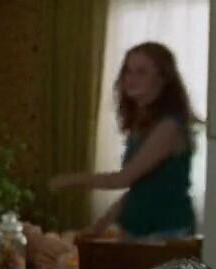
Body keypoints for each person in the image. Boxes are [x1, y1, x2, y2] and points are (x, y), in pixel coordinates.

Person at [49, 42, 198, 240]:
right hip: (137, 231)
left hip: (166, 233)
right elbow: (140, 189)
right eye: (128, 71)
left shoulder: (169, 127)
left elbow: (122, 179)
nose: (131, 78)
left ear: (163, 78)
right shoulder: (142, 125)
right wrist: (100, 225)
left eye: (141, 72)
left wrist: (68, 180)